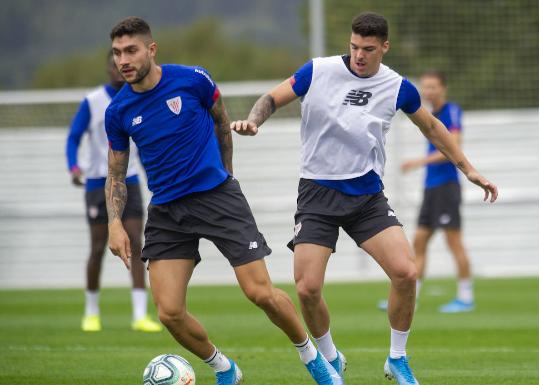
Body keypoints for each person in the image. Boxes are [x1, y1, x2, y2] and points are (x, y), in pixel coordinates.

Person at [231, 12, 498, 385]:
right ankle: (329, 358)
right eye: (354, 47)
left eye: (368, 49)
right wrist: (254, 120)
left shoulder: (398, 87)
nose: (359, 55)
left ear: (384, 47)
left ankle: (397, 359)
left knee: (406, 272)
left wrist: (468, 169)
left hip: (367, 196)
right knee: (307, 289)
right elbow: (272, 98)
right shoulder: (318, 71)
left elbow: (433, 127)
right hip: (317, 194)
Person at [104, 17, 343, 385]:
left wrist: (227, 175)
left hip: (217, 197)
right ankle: (225, 369)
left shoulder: (193, 79)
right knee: (168, 312)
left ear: (151, 50)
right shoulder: (117, 111)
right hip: (167, 210)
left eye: (131, 50)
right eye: (118, 53)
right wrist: (115, 223)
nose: (124, 60)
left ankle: (316, 361)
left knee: (259, 293)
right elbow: (116, 174)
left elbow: (221, 122)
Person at [65, 50, 161, 333]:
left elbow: (142, 144)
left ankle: (140, 315)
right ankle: (91, 312)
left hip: (129, 181)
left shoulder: (138, 100)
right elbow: (73, 137)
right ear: (109, 68)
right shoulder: (93, 102)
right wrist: (74, 167)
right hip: (98, 183)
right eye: (115, 63)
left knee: (136, 244)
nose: (121, 68)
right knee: (98, 248)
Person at [401, 70, 475, 313]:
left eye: (433, 87)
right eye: (425, 87)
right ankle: (412, 296)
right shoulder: (429, 114)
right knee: (419, 241)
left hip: (446, 186)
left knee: (454, 242)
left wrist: (418, 162)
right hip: (431, 189)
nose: (428, 92)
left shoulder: (451, 111)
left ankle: (465, 297)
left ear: (443, 88)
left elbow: (454, 146)